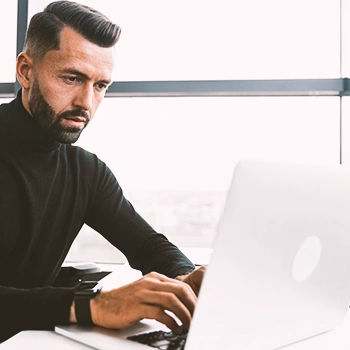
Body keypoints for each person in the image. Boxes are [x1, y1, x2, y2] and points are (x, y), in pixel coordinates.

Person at [0, 1, 206, 342]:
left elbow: (148, 245)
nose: (86, 102)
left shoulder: (87, 172)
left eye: (100, 86)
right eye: (72, 78)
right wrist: (91, 306)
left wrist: (186, 278)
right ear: (25, 71)